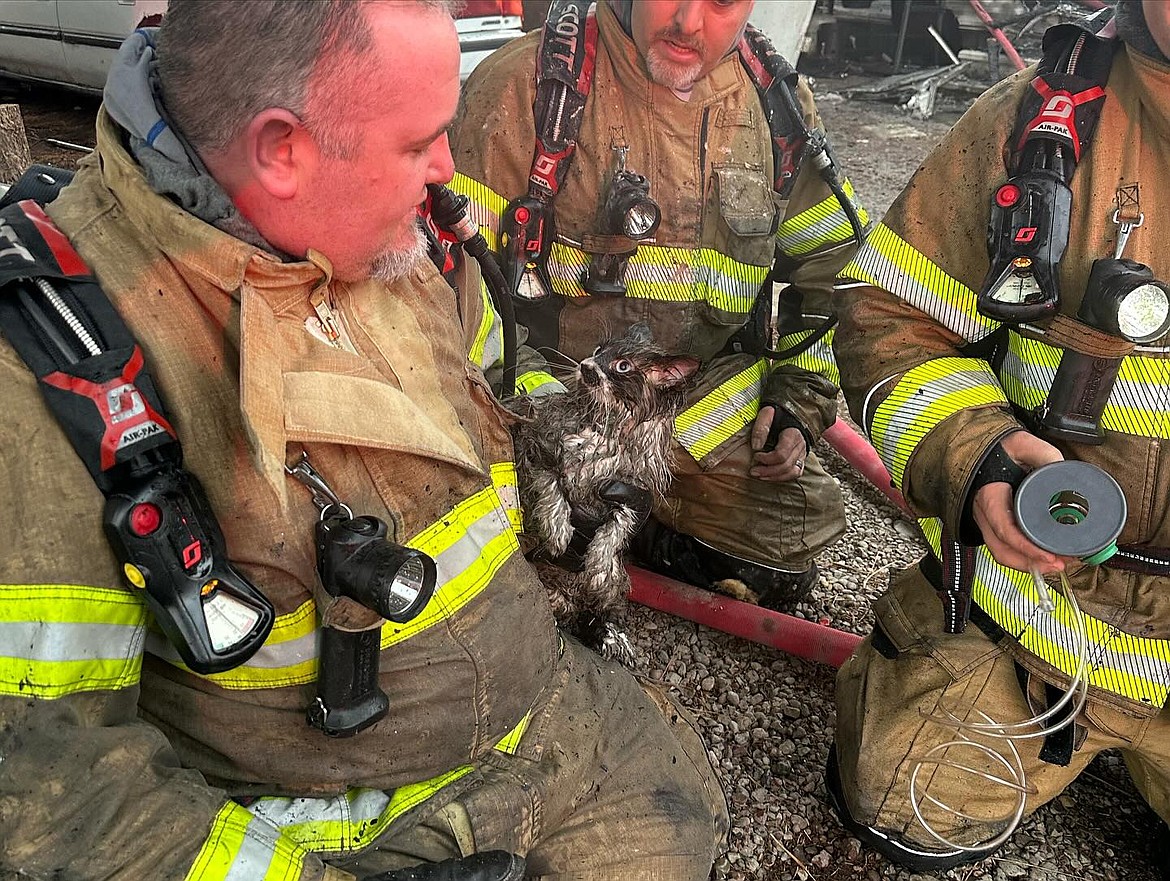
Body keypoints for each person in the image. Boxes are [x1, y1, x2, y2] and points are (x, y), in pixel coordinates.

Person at [0, 3, 729, 879]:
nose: (448, 170)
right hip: (343, 819)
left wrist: (571, 454)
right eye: (418, 141)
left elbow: (482, 418)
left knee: (685, 821)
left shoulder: (379, 235)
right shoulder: (49, 374)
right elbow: (53, 792)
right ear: (282, 150)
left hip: (544, 717)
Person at [829, 0, 1170, 872]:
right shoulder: (1040, 125)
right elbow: (888, 315)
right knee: (905, 794)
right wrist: (975, 453)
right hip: (1035, 619)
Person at [451, 0, 868, 609]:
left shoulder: (776, 108)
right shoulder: (524, 90)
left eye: (722, 2)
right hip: (545, 403)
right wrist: (547, 419)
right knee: (474, 538)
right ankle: (603, 519)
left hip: (690, 414)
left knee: (789, 545)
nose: (689, 22)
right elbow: (451, 288)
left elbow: (836, 274)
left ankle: (628, 524)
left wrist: (798, 398)